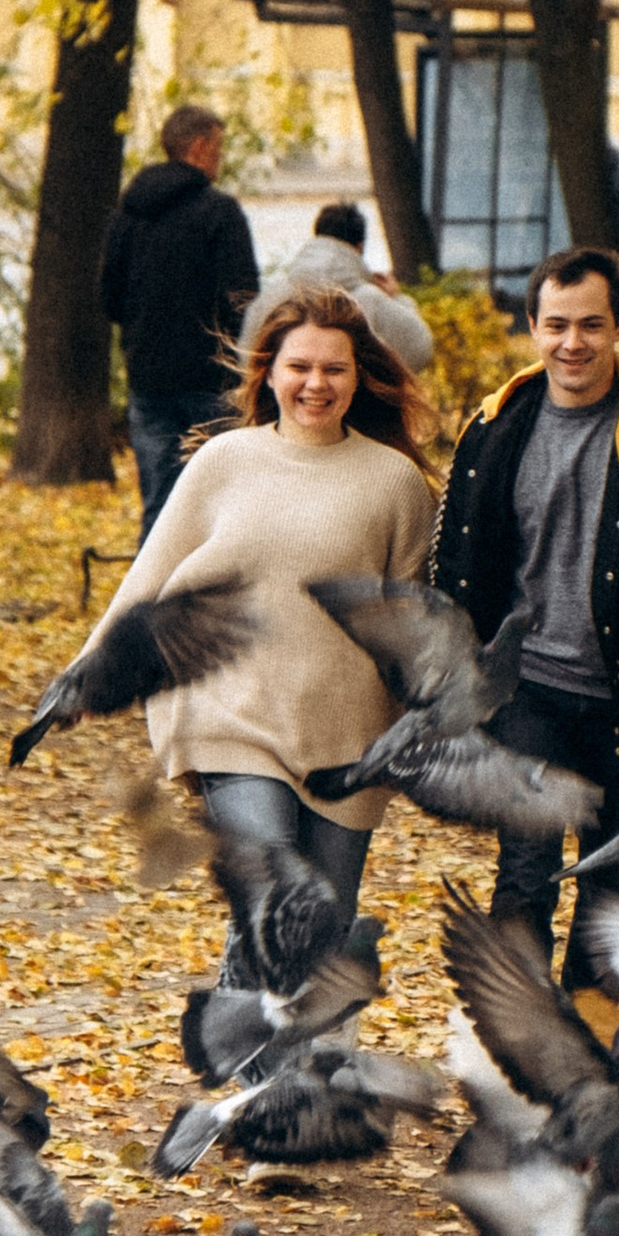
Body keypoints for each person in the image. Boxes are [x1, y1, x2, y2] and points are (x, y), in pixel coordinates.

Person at [89, 290, 434, 959]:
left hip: (347, 741)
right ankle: (257, 1066)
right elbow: (150, 576)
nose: (315, 383)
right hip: (232, 718)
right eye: (299, 366)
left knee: (320, 937)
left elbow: (413, 625)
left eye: (334, 369)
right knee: (273, 895)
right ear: (269, 371)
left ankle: (288, 1057)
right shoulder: (225, 461)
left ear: (359, 377)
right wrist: (88, 677)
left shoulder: (396, 484)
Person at [429, 244, 619, 984]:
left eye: (592, 324)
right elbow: (452, 560)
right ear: (532, 327)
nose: (574, 343)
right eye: (556, 324)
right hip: (528, 690)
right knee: (524, 875)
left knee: (610, 885)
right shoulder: (492, 431)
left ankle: (589, 1048)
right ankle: (516, 1039)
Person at [98, 104, 260, 536]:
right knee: (220, 502)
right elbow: (243, 296)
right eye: (218, 147)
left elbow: (109, 298)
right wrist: (227, 344)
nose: (220, 159)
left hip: (148, 377)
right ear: (200, 146)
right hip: (210, 378)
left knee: (159, 502)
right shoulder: (219, 213)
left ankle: (152, 597)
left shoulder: (128, 214)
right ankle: (215, 596)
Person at [239, 200, 435, 374]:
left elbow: (246, 360)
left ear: (317, 237)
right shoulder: (370, 298)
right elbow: (419, 350)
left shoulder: (271, 295)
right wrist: (397, 299)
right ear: (360, 247)